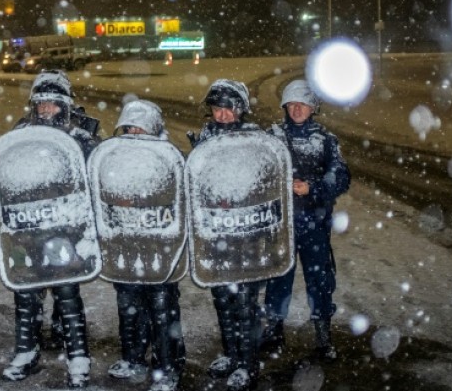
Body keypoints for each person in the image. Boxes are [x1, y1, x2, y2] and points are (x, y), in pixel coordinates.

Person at [2, 69, 99, 388]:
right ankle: (26, 352)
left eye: (52, 103)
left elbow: (93, 181)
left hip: (64, 230)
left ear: (65, 104)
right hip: (29, 228)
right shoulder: (22, 132)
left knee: (67, 293)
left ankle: (78, 357)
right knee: (26, 294)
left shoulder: (81, 137)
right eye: (41, 103)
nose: (46, 109)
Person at [262, 80, 350, 360]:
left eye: (303, 103)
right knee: (278, 279)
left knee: (320, 280)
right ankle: (274, 333)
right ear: (285, 106)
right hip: (281, 225)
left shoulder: (325, 139)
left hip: (315, 224)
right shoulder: (271, 137)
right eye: (292, 104)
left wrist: (313, 188)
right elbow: (259, 172)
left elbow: (340, 176)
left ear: (313, 107)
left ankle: (324, 339)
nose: (297, 109)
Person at [105, 99, 186, 391]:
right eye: (128, 127)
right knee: (128, 306)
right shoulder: (112, 159)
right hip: (126, 247)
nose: (133, 133)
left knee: (162, 308)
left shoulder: (168, 159)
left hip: (160, 250)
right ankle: (133, 358)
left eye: (139, 127)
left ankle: (168, 365)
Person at [189, 79, 263, 391]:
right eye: (217, 109)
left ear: (240, 110)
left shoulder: (257, 138)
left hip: (246, 233)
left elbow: (264, 181)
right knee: (222, 298)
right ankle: (231, 354)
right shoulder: (206, 137)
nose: (222, 115)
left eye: (228, 109)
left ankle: (248, 363)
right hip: (217, 232)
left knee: (245, 301)